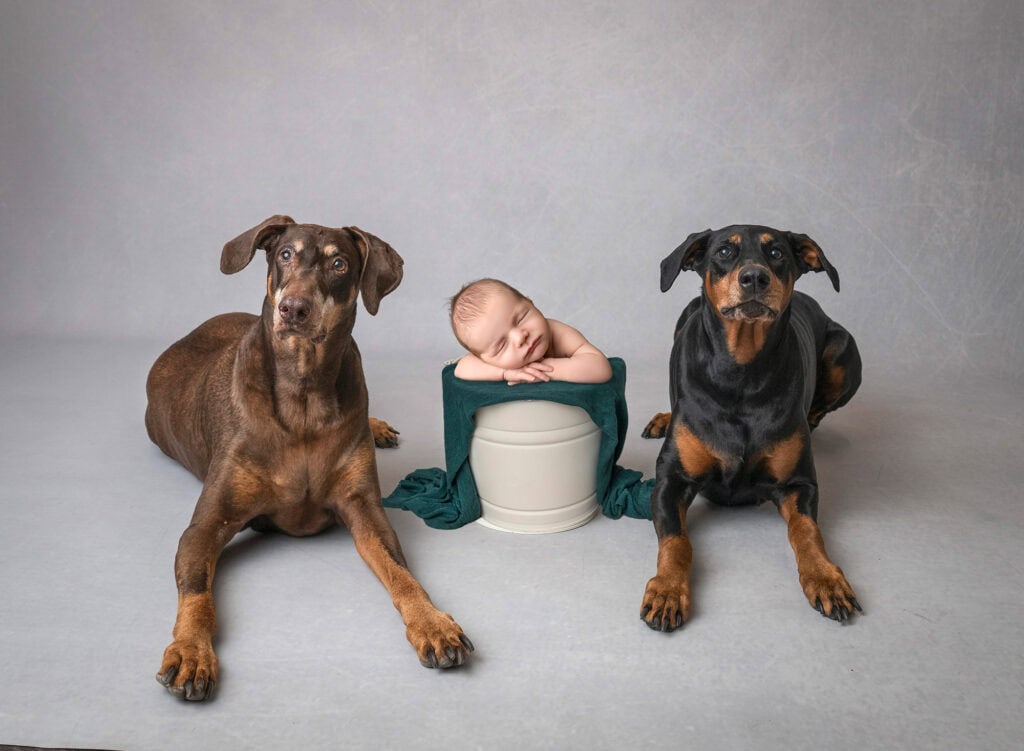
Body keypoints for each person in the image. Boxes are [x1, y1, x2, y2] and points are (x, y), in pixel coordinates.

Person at [450, 278, 612, 384]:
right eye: (502, 345)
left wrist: (545, 367)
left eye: (521, 319)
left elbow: (600, 368)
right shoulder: (490, 361)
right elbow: (461, 368)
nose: (520, 336)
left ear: (530, 302)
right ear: (484, 358)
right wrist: (505, 373)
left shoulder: (559, 333)